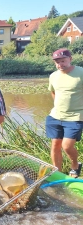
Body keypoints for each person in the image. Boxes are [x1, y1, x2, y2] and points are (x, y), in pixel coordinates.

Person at [46, 48, 83, 178]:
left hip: (75, 117)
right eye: (57, 62)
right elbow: (53, 92)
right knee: (55, 145)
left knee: (67, 146)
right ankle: (58, 173)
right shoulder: (53, 76)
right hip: (55, 116)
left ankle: (75, 165)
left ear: (70, 59)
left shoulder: (81, 73)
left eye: (63, 61)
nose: (60, 64)